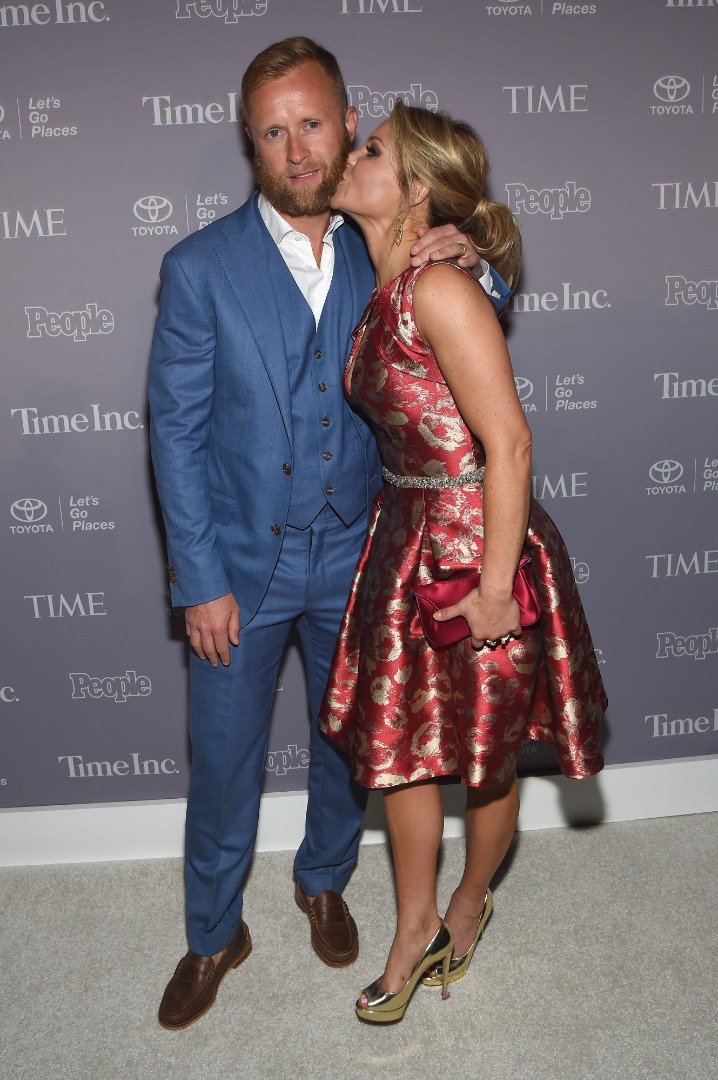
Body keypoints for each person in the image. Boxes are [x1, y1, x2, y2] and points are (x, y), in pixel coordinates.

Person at [148, 37, 510, 1030]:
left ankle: (322, 880)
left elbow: (471, 335)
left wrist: (477, 257)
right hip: (240, 569)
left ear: (350, 125)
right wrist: (197, 576)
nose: (296, 147)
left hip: (364, 557)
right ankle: (214, 930)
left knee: (351, 748)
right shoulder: (197, 268)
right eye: (273, 129)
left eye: (312, 122)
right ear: (249, 142)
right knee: (223, 758)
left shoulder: (389, 236)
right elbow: (174, 433)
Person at [319, 101, 607, 1023]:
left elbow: (510, 444)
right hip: (405, 531)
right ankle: (412, 927)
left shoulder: (440, 288)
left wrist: (494, 587)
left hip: (476, 545)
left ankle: (468, 903)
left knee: (485, 759)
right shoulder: (392, 282)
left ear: (415, 190)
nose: (349, 156)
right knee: (403, 755)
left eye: (370, 150)